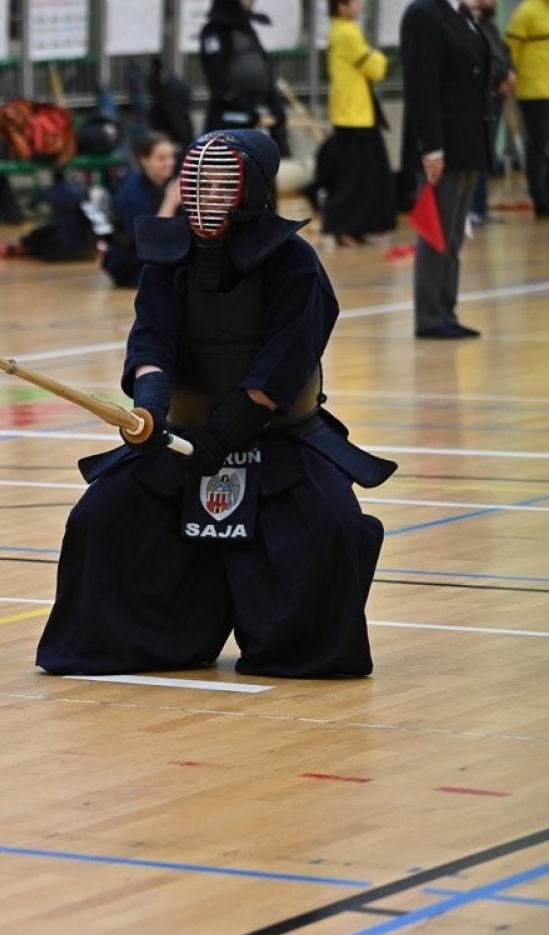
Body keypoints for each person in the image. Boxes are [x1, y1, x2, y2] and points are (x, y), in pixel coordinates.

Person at [35, 130, 395, 679]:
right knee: (100, 519)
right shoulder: (166, 259)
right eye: (199, 181)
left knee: (334, 529)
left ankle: (293, 649)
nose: (207, 194)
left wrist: (222, 435)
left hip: (277, 438)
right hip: (180, 439)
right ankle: (133, 643)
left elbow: (278, 371)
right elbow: (151, 344)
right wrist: (151, 409)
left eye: (222, 183)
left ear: (251, 190)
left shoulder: (294, 264)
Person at [401, 0, 489, 339]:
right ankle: (430, 316)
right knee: (435, 234)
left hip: (467, 144)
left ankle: (446, 310)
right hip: (444, 145)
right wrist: (432, 147)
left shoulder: (460, 15)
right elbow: (421, 85)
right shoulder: (423, 13)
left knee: (452, 236)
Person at [322, 0, 395, 245]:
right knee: (354, 179)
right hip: (353, 116)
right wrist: (379, 58)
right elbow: (376, 69)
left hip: (356, 113)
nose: (360, 4)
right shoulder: (347, 33)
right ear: (341, 6)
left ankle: (356, 227)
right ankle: (342, 228)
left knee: (362, 177)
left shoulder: (342, 30)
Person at [198, 0, 289, 156]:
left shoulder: (247, 28)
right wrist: (242, 105)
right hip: (229, 117)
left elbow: (264, 68)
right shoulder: (213, 31)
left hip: (257, 112)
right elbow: (217, 76)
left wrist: (275, 104)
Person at [101, 131, 180, 287]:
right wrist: (170, 202)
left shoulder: (168, 183)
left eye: (171, 157)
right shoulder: (131, 194)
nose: (169, 163)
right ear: (144, 160)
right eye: (161, 159)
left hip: (153, 255)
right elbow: (150, 240)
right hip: (130, 263)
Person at [470, 0, 515, 223]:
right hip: (485, 97)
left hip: (496, 97)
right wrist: (499, 80)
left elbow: (502, 54)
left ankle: (481, 206)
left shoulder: (490, 25)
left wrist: (510, 73)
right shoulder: (472, 25)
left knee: (487, 156)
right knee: (479, 155)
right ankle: (474, 208)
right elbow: (483, 60)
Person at [507, 0, 549, 216]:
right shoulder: (526, 12)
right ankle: (540, 199)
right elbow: (510, 51)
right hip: (534, 92)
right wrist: (509, 75)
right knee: (538, 146)